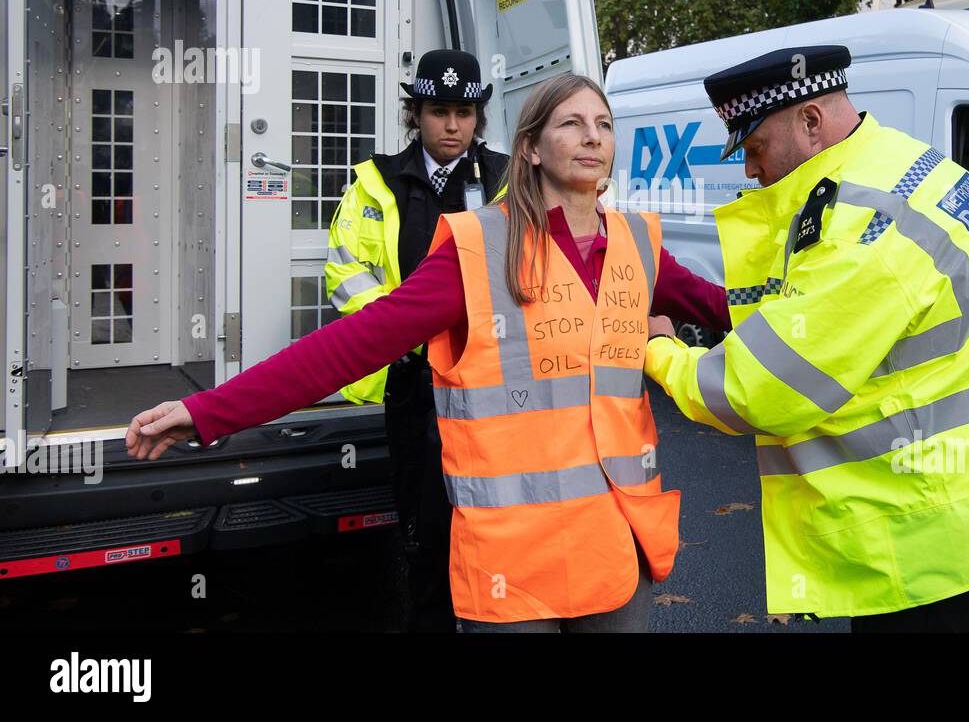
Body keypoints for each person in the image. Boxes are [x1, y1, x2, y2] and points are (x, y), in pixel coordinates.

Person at [127, 73, 729, 632]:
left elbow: (728, 311)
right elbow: (351, 346)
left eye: (603, 123)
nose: (592, 136)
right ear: (531, 149)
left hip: (616, 544)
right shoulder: (478, 247)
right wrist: (208, 412)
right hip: (514, 562)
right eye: (571, 123)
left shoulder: (639, 244)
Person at [645, 45, 969, 632]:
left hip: (926, 539)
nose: (750, 169)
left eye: (755, 148)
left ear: (811, 122)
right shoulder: (916, 168)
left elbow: (762, 390)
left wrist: (662, 352)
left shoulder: (858, 227)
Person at [324, 48, 508, 633]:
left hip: (496, 386)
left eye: (464, 111)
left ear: (478, 116)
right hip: (416, 384)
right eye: (438, 111)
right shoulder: (377, 181)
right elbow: (347, 273)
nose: (452, 126)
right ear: (415, 114)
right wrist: (406, 334)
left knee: (496, 527)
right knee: (425, 533)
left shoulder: (509, 179)